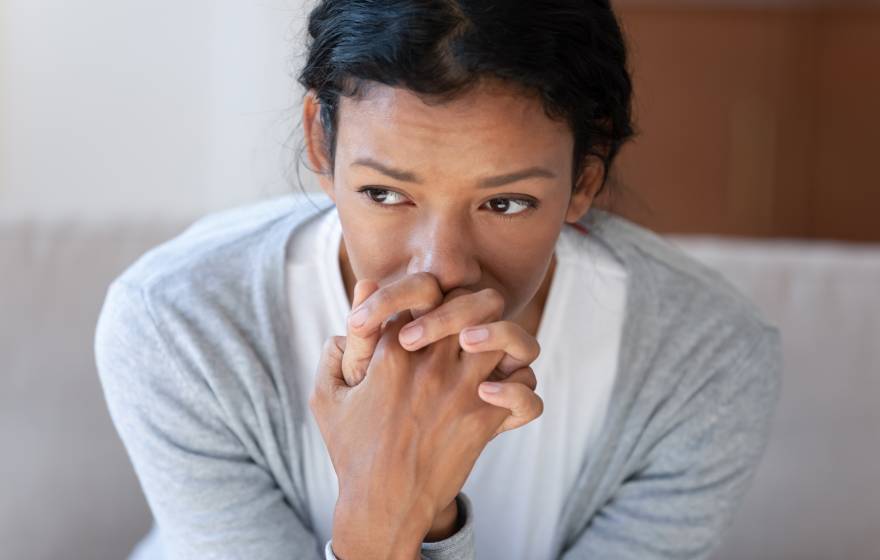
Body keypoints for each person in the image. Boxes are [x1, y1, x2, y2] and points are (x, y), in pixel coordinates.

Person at [94, 1, 783, 559]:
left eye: (505, 203)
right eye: (386, 194)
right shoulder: (179, 325)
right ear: (322, 143)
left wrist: (425, 516)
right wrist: (385, 509)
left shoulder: (706, 360)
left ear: (586, 177)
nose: (442, 267)